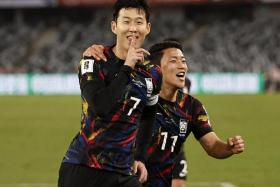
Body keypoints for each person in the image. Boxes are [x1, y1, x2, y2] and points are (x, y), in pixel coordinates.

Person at [83, 40, 245, 187]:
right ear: (157, 69)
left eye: (183, 61)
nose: (182, 66)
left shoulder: (192, 107)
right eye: (174, 61)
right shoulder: (136, 99)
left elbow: (212, 145)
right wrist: (93, 51)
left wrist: (228, 148)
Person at [58, 0, 161, 187]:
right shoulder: (94, 60)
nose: (132, 28)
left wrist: (140, 157)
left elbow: (149, 117)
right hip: (84, 168)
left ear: (148, 28)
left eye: (138, 22)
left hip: (124, 173)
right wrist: (128, 66)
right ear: (114, 26)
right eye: (126, 21)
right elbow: (100, 106)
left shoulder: (153, 73)